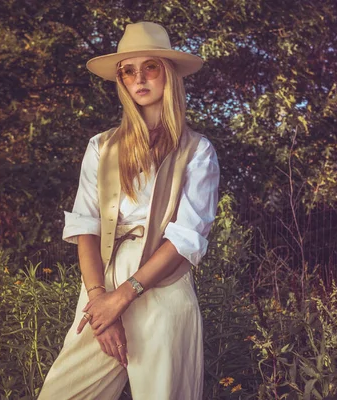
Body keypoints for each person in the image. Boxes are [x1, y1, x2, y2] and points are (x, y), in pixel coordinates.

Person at [38, 21, 220, 400]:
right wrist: (101, 302)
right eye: (128, 70)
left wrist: (125, 296)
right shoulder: (101, 147)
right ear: (121, 81)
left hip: (163, 286)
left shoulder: (196, 151)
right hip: (101, 286)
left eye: (150, 67)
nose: (139, 78)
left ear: (167, 73)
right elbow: (86, 225)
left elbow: (186, 237)